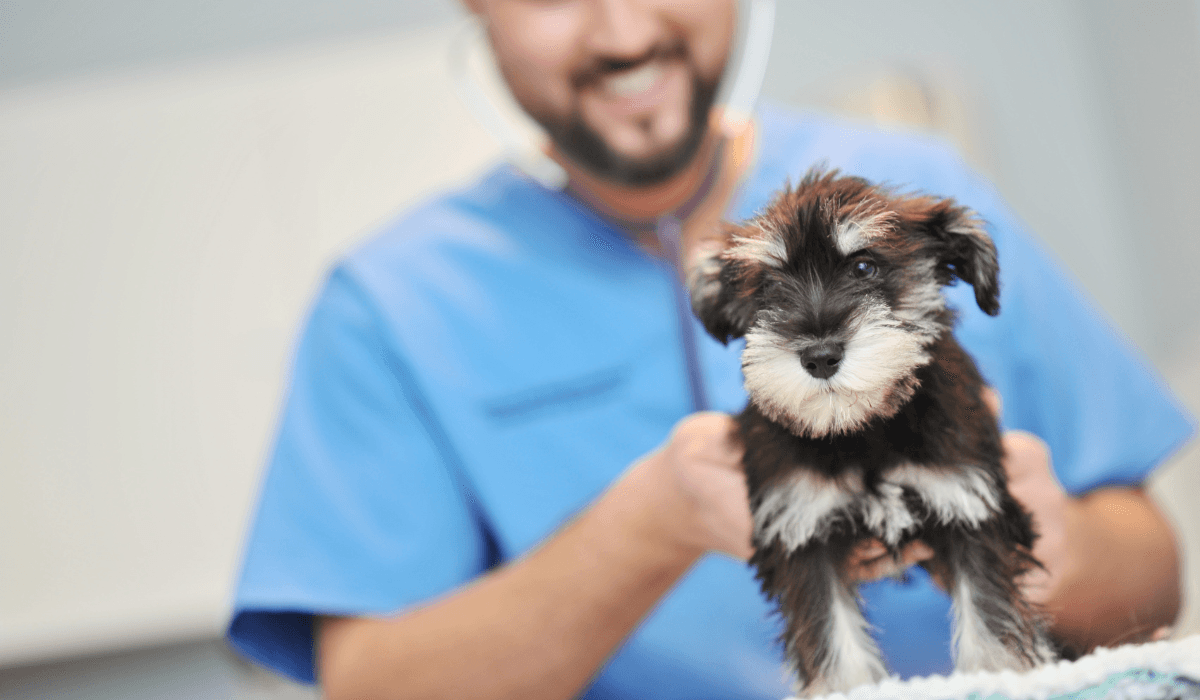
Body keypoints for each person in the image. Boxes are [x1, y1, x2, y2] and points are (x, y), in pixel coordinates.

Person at [227, 1, 1192, 698]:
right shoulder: (390, 303)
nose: (622, 30)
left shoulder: (921, 188)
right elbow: (368, 687)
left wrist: (1036, 539)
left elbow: (1156, 568)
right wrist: (650, 524)